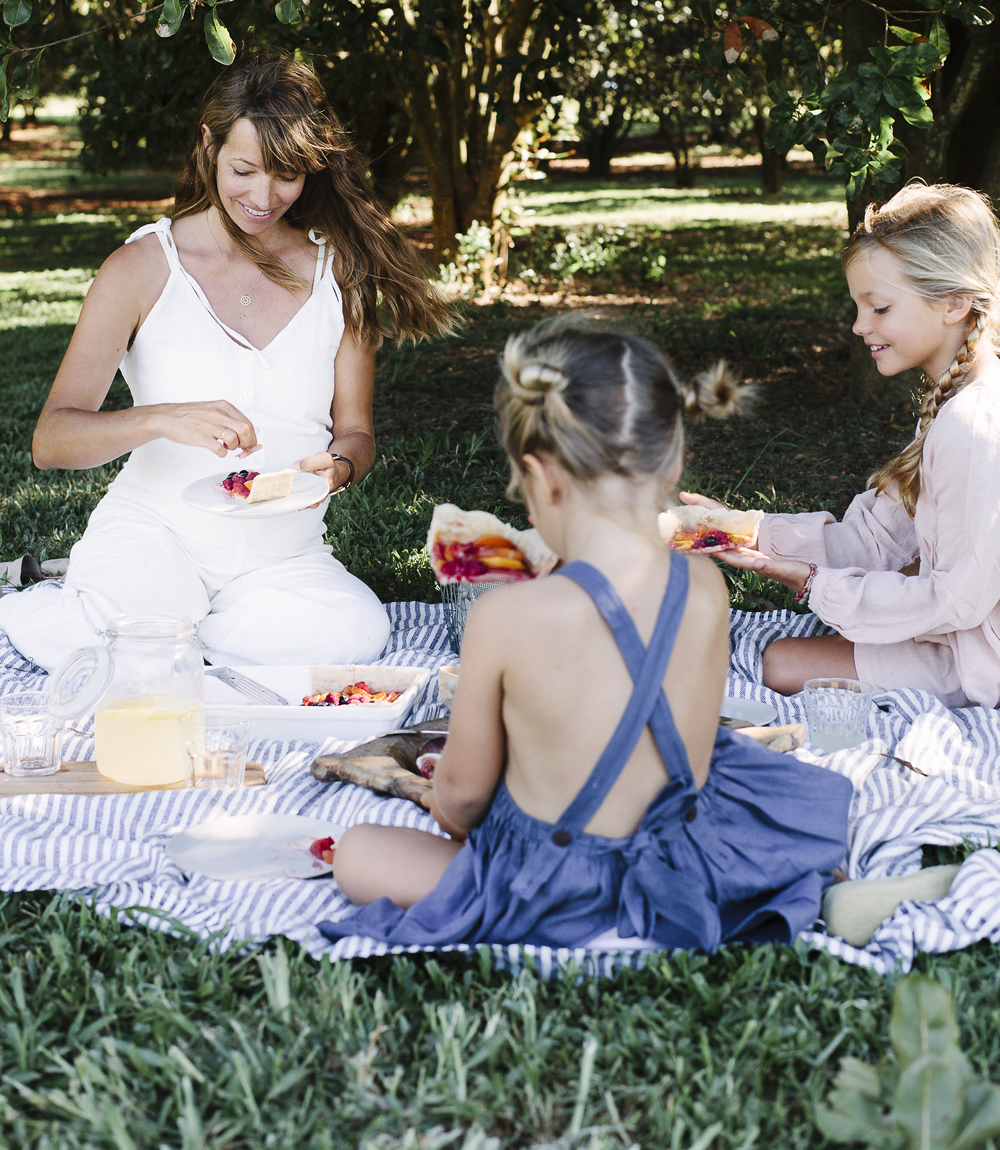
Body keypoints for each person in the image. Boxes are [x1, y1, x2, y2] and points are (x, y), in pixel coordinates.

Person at [319, 316, 857, 952]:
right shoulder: (704, 586)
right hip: (674, 860)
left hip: (549, 880)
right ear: (674, 459)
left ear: (542, 476)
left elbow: (462, 805)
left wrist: (456, 794)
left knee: (357, 851)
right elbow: (691, 753)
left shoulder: (505, 616)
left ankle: (589, 914)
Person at [0, 52, 452, 671]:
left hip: (282, 558)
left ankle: (168, 646)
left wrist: (339, 468)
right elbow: (51, 441)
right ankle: (115, 616)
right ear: (208, 144)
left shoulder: (339, 272)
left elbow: (357, 432)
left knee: (354, 633)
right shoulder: (140, 268)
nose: (263, 198)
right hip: (154, 535)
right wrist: (161, 418)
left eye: (287, 175)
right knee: (130, 632)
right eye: (244, 169)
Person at [688, 181, 1000, 707]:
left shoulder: (973, 423)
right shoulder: (955, 402)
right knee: (779, 658)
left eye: (879, 308)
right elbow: (875, 543)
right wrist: (745, 531)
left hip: (977, 661)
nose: (860, 326)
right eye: (859, 307)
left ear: (954, 304)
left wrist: (813, 584)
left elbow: (960, 601)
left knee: (778, 663)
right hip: (954, 634)